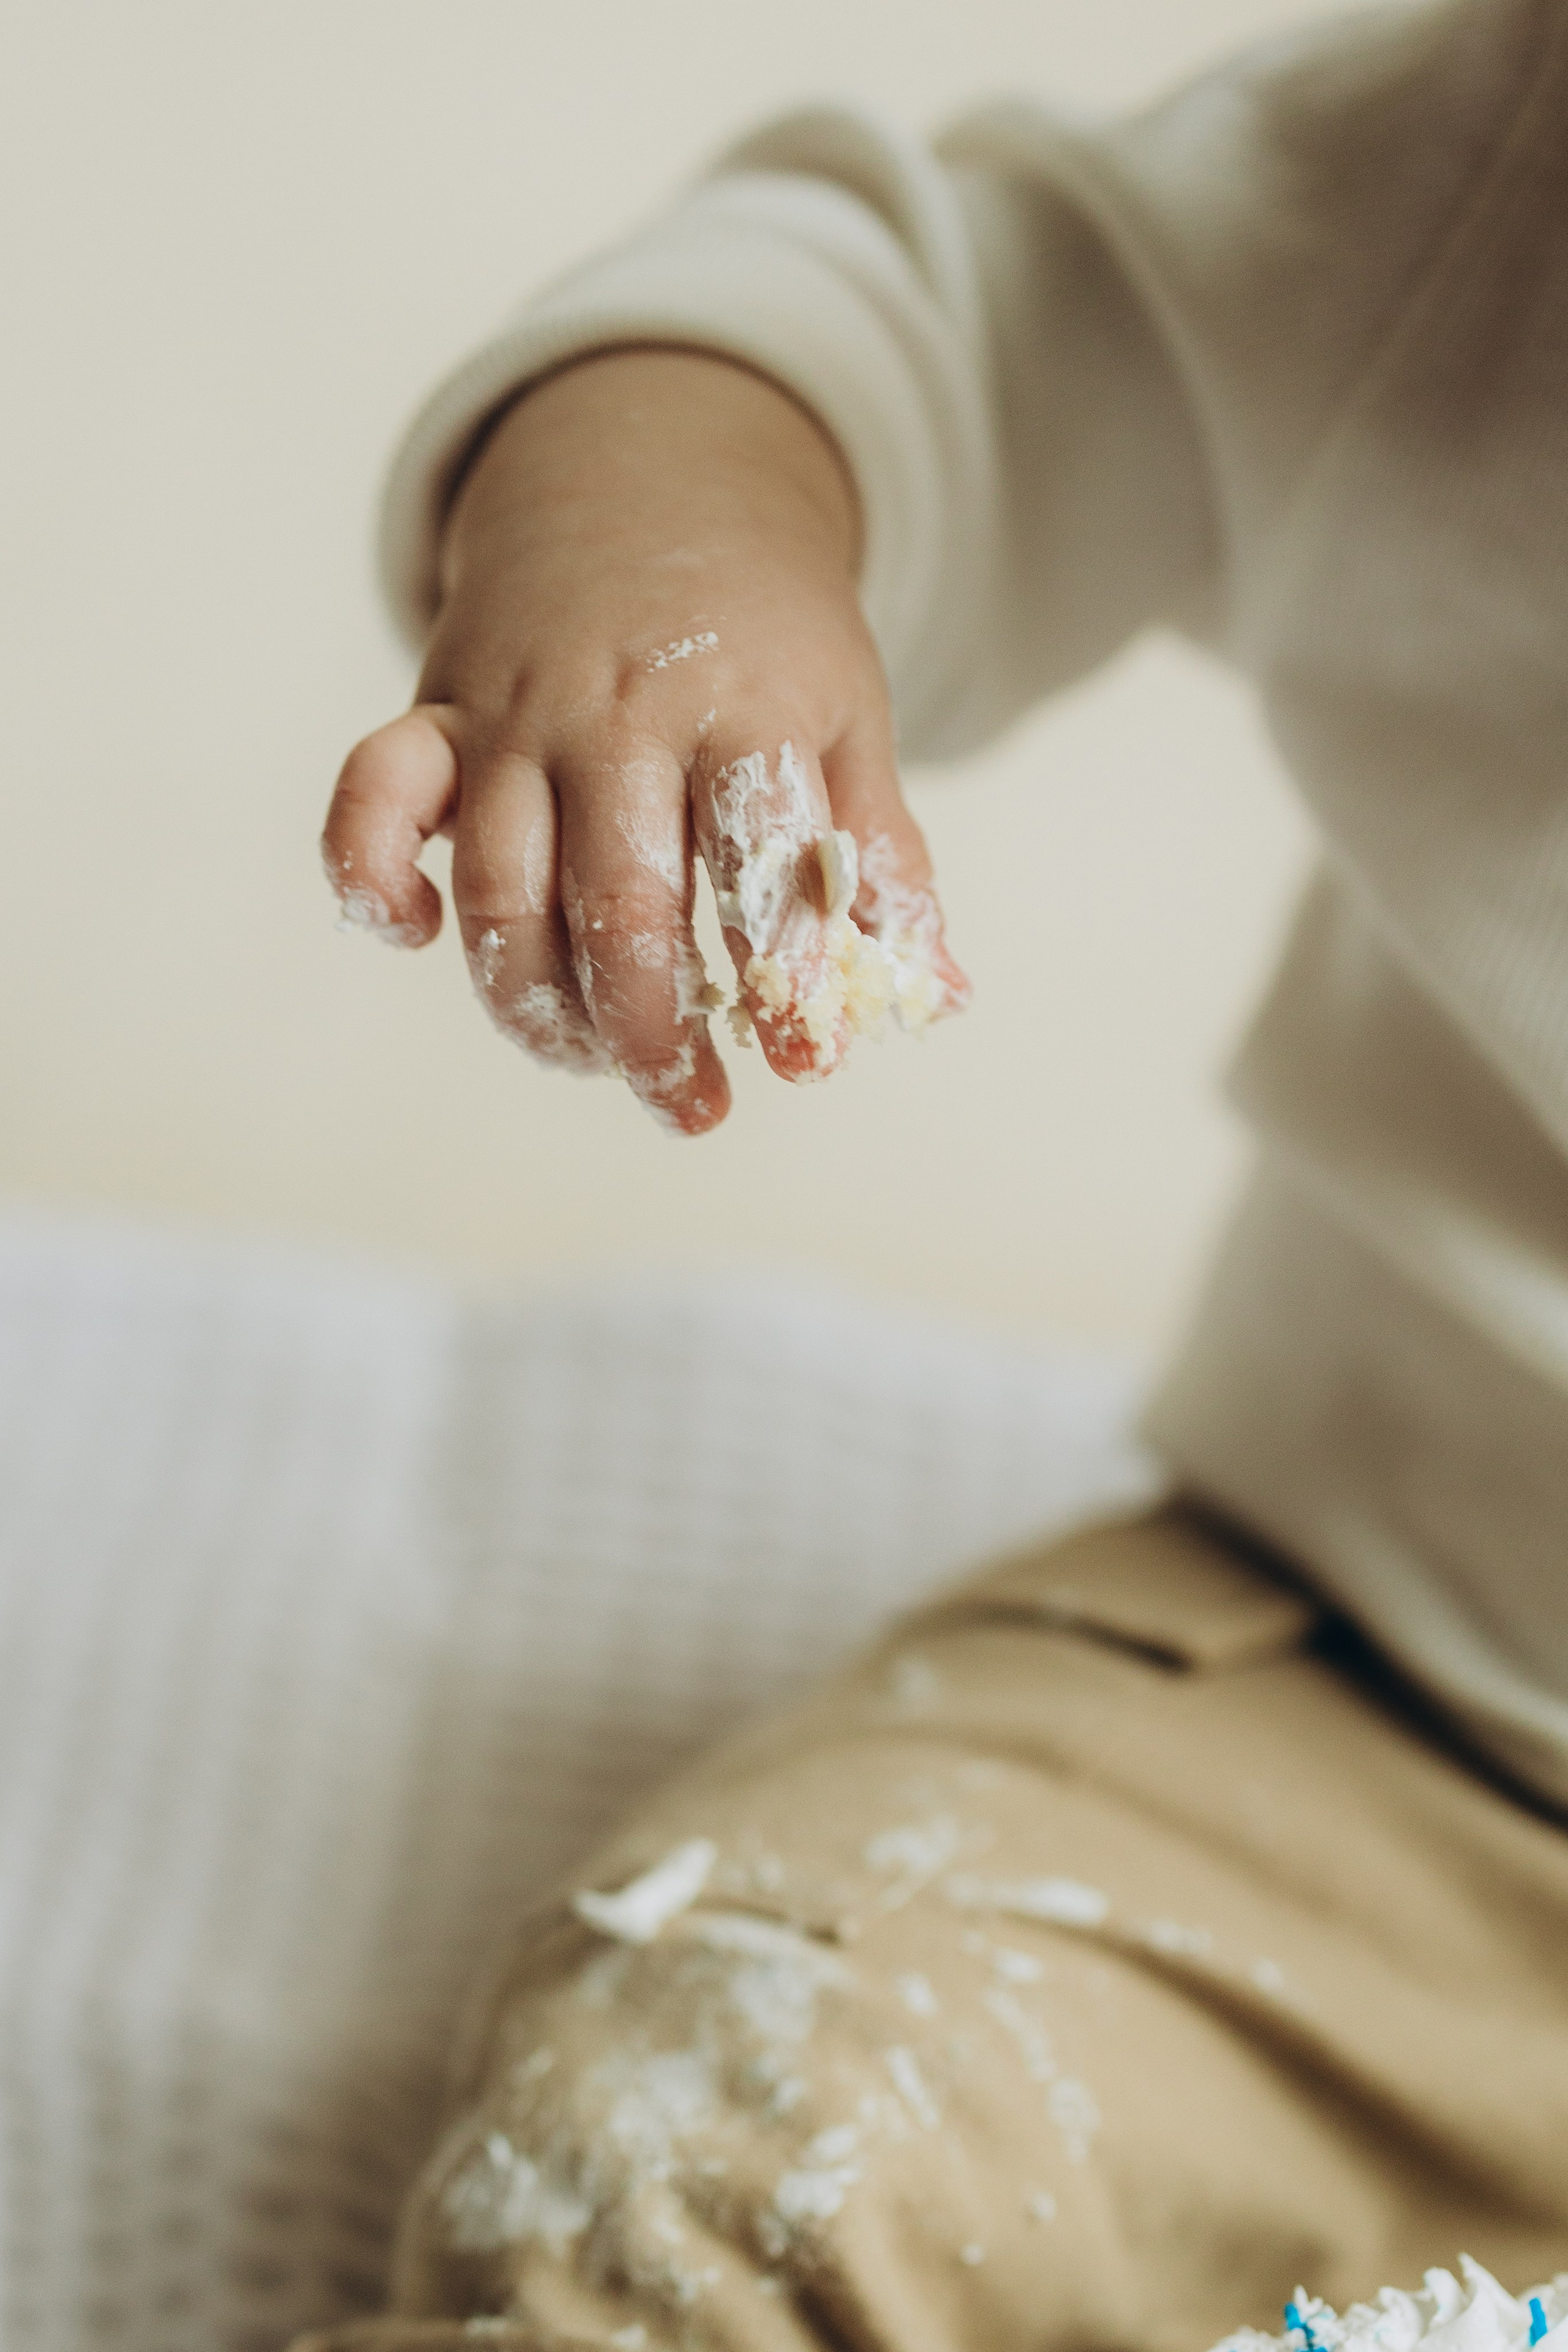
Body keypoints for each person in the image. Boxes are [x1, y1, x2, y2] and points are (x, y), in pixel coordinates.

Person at [307, 1, 1568, 2343]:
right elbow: (915, 310)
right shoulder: (1490, 190)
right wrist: (679, 531)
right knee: (705, 2163)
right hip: (1394, 1742)